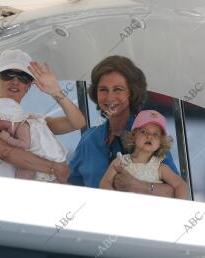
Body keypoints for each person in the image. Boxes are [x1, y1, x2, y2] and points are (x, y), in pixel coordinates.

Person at [68, 55, 180, 197]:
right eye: (103, 90)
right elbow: (70, 185)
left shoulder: (149, 135)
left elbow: (175, 190)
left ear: (132, 93)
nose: (109, 97)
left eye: (118, 89)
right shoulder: (89, 140)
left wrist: (138, 186)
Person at [0, 49, 86, 182]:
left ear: (28, 85)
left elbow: (77, 123)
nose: (15, 81)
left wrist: (56, 92)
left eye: (24, 77)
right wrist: (55, 168)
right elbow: (6, 153)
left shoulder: (33, 120)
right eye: (8, 74)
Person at [100, 110, 187, 198]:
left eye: (155, 134)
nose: (149, 136)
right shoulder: (120, 161)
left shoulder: (160, 168)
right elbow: (104, 183)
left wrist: (180, 208)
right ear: (133, 135)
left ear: (160, 142)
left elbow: (181, 185)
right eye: (143, 132)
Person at [0, 98, 68, 183]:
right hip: (53, 157)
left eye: (6, 128)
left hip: (46, 157)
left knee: (23, 172)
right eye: (1, 130)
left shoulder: (22, 127)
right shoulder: (28, 121)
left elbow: (24, 145)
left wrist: (8, 139)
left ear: (13, 119)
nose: (5, 132)